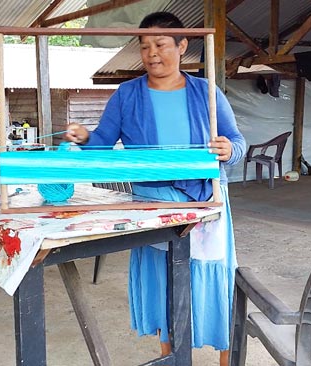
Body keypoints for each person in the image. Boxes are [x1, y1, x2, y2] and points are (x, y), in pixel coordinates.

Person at [65, 12, 245, 365]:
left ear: (181, 45)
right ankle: (171, 356)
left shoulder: (206, 91)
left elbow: (236, 141)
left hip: (206, 201)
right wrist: (86, 137)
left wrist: (229, 149)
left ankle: (224, 357)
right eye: (145, 46)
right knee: (163, 281)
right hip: (152, 203)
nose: (152, 54)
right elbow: (102, 142)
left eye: (160, 44)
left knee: (211, 275)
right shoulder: (127, 94)